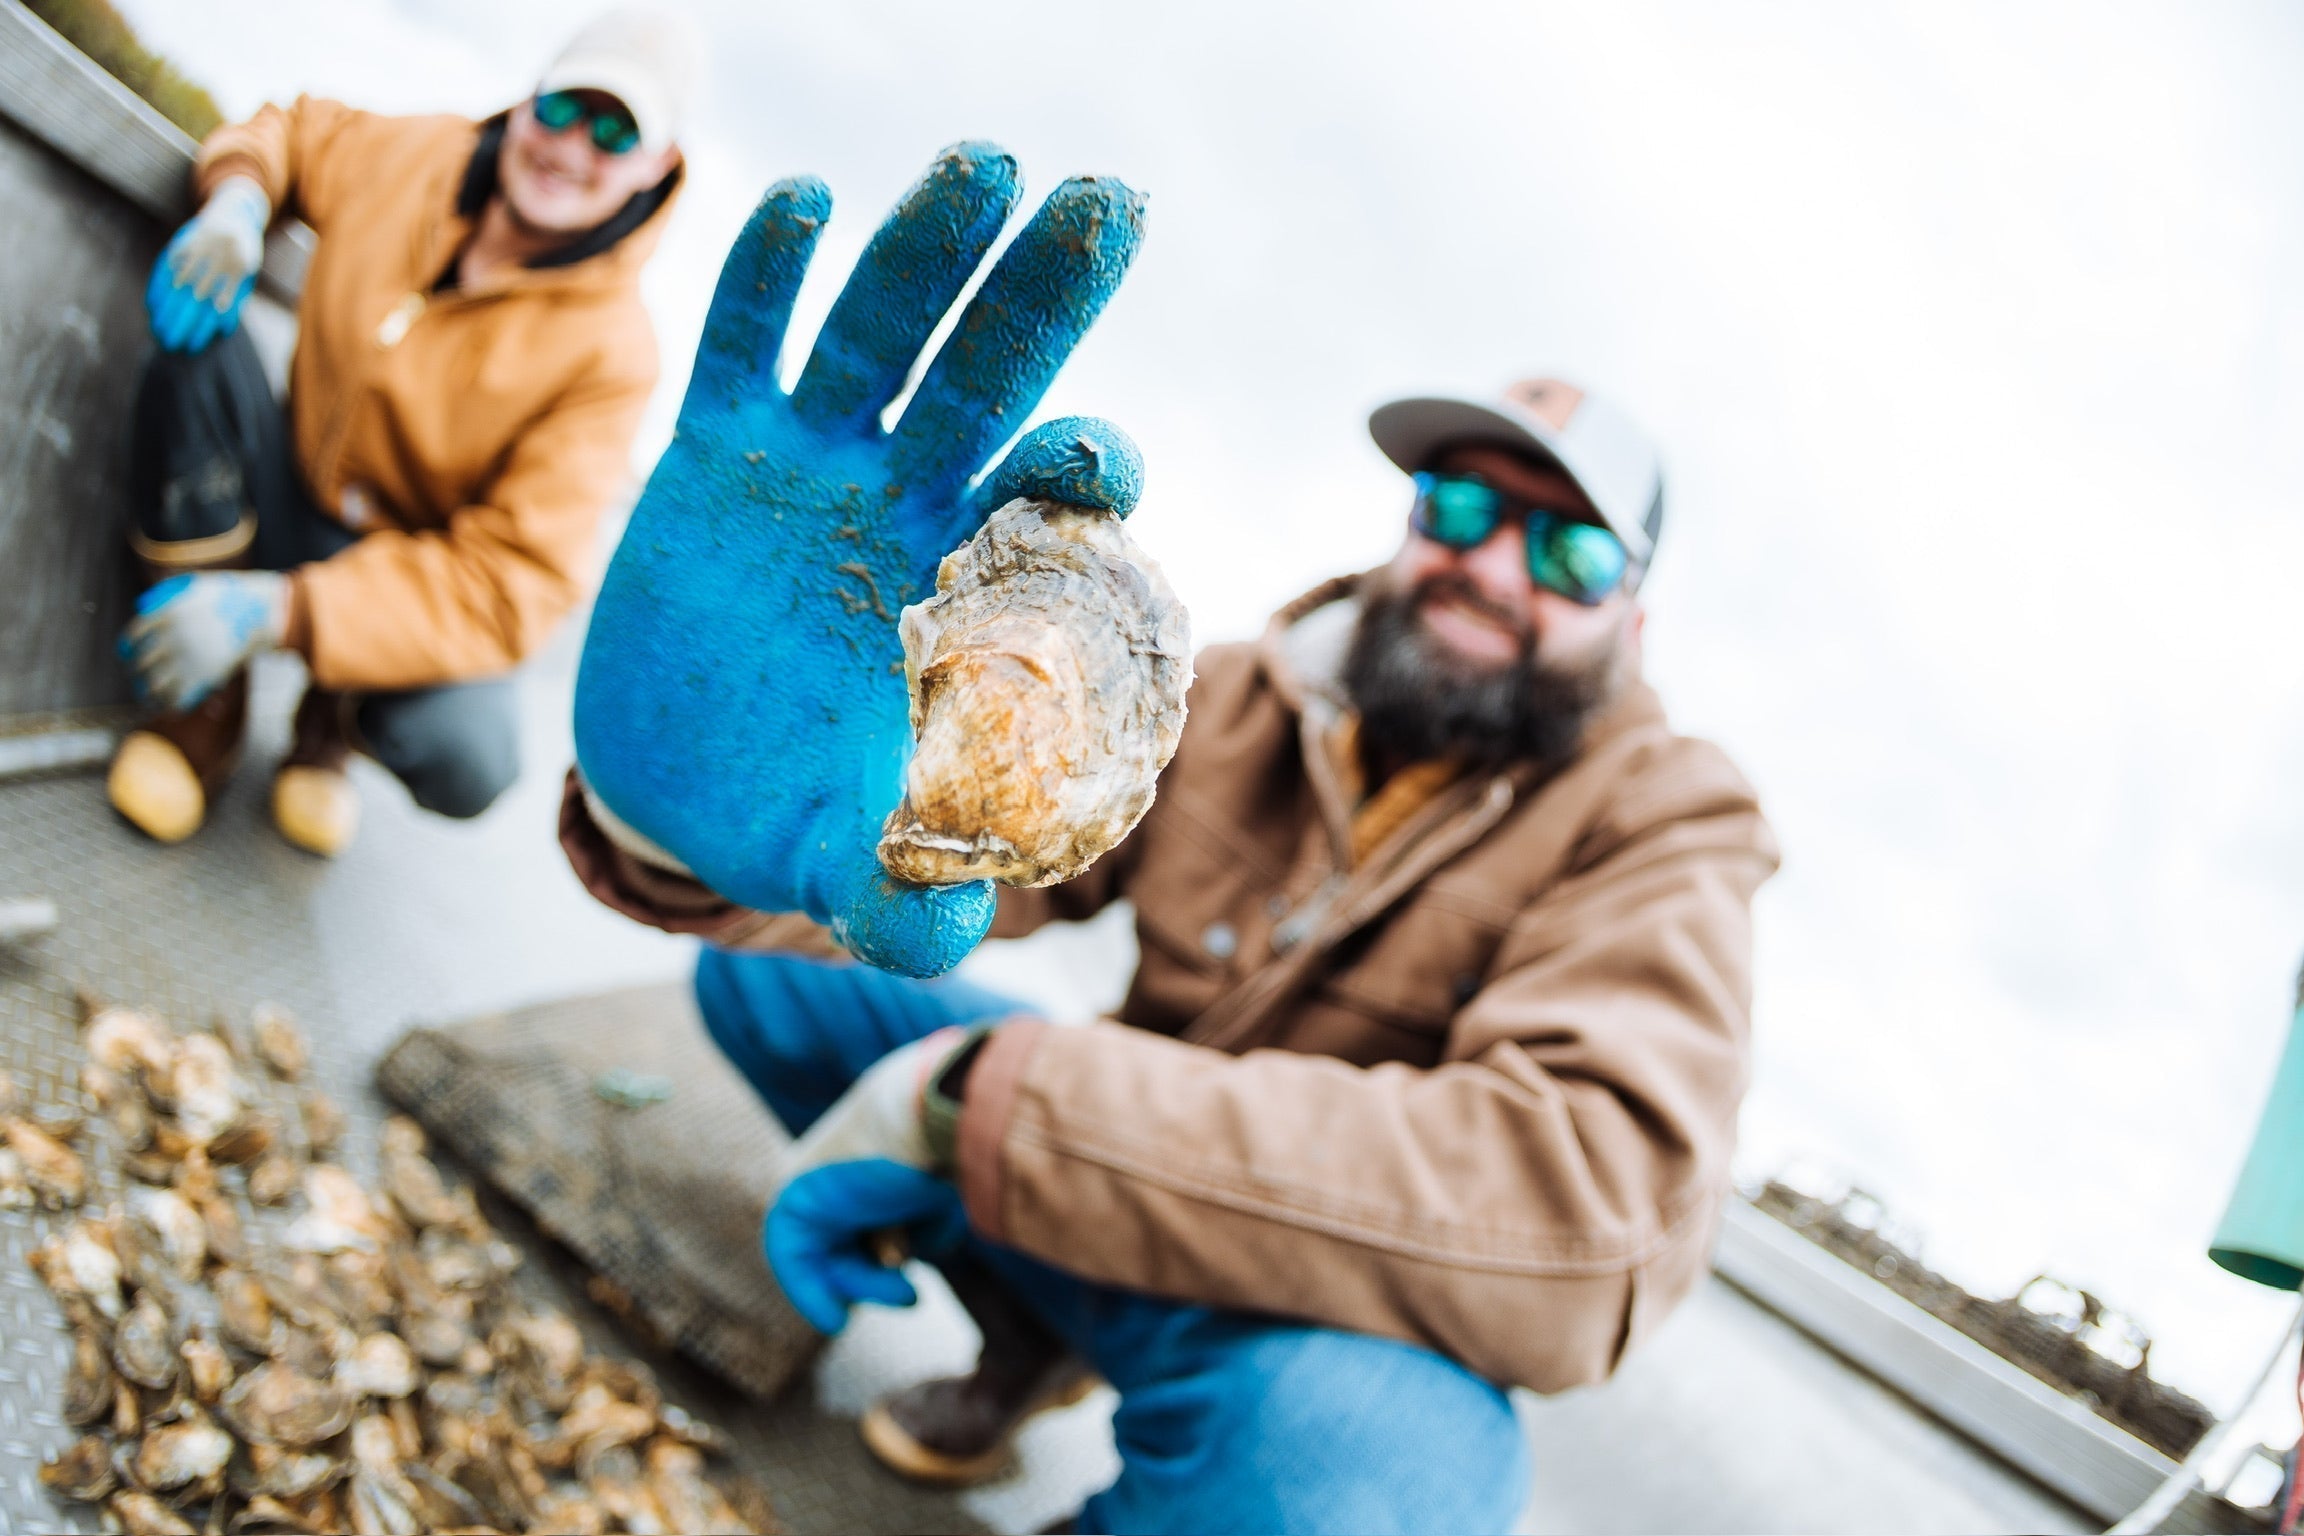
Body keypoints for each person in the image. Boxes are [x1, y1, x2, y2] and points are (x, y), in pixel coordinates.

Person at [566, 374, 1781, 1533]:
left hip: (1284, 1302)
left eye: (1571, 549)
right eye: (1459, 504)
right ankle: (1030, 1333)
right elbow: (959, 860)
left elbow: (1583, 1206)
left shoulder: (1668, 820)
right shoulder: (1239, 692)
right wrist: (688, 828)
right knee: (776, 972)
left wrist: (982, 1101)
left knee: (1366, 1477)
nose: (1494, 565)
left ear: (1635, 614)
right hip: (1093, 1182)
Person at [108, 5, 699, 856]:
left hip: (392, 571)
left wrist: (283, 609)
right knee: (194, 348)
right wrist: (238, 198)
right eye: (565, 109)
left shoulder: (617, 355)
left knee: (471, 754)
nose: (570, 149)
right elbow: (293, 130)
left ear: (658, 164)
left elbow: (508, 582)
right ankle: (201, 713)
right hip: (285, 485)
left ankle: (330, 727)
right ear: (530, 98)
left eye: (614, 133)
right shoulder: (415, 154)